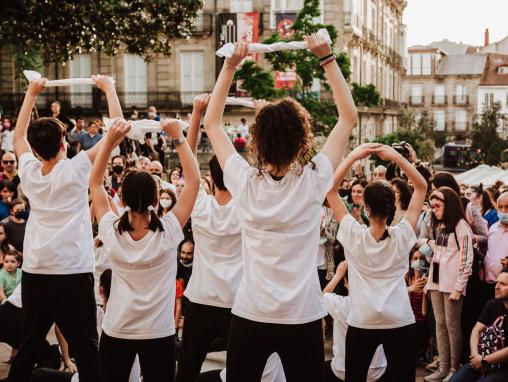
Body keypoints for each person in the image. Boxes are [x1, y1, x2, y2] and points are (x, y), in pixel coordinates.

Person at [203, 35, 358, 381]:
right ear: (302, 140)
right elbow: (348, 118)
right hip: (301, 315)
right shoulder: (314, 179)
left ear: (256, 141)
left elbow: (211, 123)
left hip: (250, 313)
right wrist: (327, 59)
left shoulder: (243, 183)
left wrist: (229, 66)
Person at [7, 75, 120, 382]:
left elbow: (18, 137)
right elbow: (118, 130)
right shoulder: (75, 169)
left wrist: (31, 92)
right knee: (86, 347)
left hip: (36, 270)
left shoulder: (29, 172)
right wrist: (109, 88)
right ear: (63, 144)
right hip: (71, 271)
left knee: (29, 345)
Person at [89, 116, 200, 381]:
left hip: (116, 329)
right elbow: (194, 182)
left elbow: (94, 183)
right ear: (155, 198)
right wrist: (178, 137)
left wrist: (109, 140)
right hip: (158, 332)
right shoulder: (170, 231)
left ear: (123, 199)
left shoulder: (111, 231)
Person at [326, 143, 427, 382]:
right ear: (392, 207)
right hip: (400, 319)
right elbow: (421, 186)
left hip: (363, 320)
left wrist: (352, 156)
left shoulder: (353, 234)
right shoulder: (403, 235)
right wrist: (397, 159)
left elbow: (330, 190)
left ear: (366, 208)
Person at [176, 94, 243, 382]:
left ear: (212, 178)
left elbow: (186, 160)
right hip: (236, 301)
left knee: (188, 368)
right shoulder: (245, 207)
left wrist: (196, 113)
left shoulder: (199, 205)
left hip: (201, 297)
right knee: (241, 370)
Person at [424, 187, 474, 382]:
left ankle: (454, 368)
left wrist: (459, 287)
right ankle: (443, 367)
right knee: (440, 325)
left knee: (452, 327)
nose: (434, 210)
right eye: (432, 206)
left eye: (437, 206)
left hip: (452, 285)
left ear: (449, 204)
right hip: (437, 283)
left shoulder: (461, 226)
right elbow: (437, 256)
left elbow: (466, 258)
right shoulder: (440, 226)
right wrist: (430, 282)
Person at [322, 260, 387, 382]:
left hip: (342, 372)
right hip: (376, 373)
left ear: (346, 282)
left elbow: (323, 296)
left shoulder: (340, 304)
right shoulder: (382, 305)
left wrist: (337, 275)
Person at [449, 269, 508, 382]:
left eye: (503, 284)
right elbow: (476, 330)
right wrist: (476, 356)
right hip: (481, 360)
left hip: (504, 367)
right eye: (497, 283)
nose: (497, 287)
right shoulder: (493, 304)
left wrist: (485, 360)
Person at [484, 192, 508, 296]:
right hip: (489, 284)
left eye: (507, 207)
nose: (504, 211)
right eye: (500, 207)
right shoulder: (493, 228)